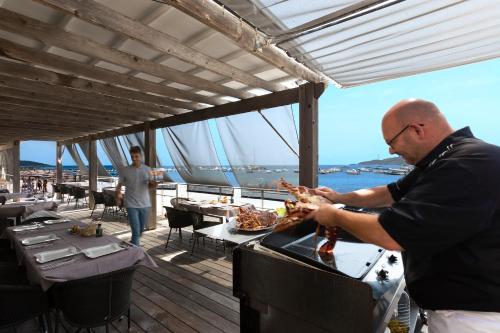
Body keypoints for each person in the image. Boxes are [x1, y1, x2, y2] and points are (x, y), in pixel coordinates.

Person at [306, 99, 500, 333]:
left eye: (391, 142)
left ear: (416, 129)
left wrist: (333, 216)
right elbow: (389, 193)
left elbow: (391, 235)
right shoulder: (441, 160)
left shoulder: (467, 163)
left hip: (474, 318)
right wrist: (339, 197)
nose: (391, 150)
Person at [115, 146, 156, 246]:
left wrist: (154, 184)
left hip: (145, 204)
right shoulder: (125, 170)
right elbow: (119, 185)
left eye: (136, 156)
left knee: (141, 229)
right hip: (131, 203)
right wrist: (118, 195)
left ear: (141, 156)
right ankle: (135, 253)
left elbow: (150, 186)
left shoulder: (148, 169)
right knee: (136, 230)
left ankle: (133, 243)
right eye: (132, 157)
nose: (134, 159)